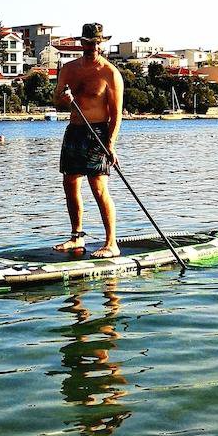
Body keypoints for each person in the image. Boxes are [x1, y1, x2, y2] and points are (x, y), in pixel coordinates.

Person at [54, 22, 124, 259]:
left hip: (98, 133)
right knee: (70, 183)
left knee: (98, 187)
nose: (93, 47)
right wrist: (64, 98)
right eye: (88, 43)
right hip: (74, 130)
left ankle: (111, 243)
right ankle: (76, 237)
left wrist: (111, 144)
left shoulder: (109, 73)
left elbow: (116, 114)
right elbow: (57, 103)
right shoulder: (69, 69)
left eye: (97, 43)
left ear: (101, 44)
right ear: (81, 43)